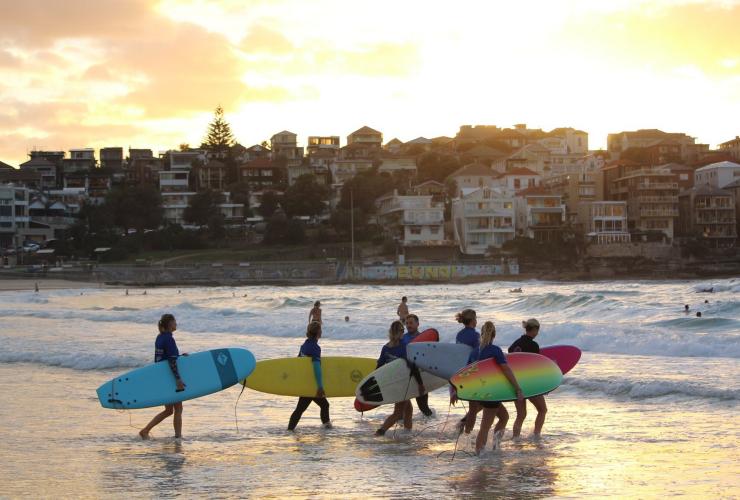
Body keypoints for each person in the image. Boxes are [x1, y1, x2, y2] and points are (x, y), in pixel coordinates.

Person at [469, 321, 523, 454]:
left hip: (479, 392)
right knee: (485, 426)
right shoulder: (495, 350)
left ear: (481, 334)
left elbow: (466, 373)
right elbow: (506, 370)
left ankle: (495, 446)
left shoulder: (475, 352)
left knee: (504, 417)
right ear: (494, 335)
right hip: (492, 393)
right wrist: (517, 388)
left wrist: (458, 391)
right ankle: (479, 454)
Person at [139, 314, 188, 439]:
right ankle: (178, 437)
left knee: (169, 410)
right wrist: (177, 379)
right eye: (174, 321)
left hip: (162, 376)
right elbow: (171, 361)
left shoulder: (160, 337)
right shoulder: (169, 339)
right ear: (170, 324)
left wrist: (180, 357)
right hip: (170, 378)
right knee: (178, 408)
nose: (176, 323)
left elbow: (164, 358)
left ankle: (145, 430)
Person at [375, 320, 425, 436]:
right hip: (402, 383)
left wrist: (378, 383)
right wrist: (420, 384)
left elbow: (379, 367)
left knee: (408, 409)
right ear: (401, 332)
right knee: (398, 413)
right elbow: (412, 366)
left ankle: (407, 432)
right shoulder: (404, 347)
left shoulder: (386, 348)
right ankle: (380, 432)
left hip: (392, 382)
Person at [288, 321, 331, 431]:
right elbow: (317, 368)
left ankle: (290, 430)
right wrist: (320, 386)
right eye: (320, 330)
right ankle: (327, 429)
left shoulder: (304, 346)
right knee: (322, 405)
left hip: (305, 382)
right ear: (318, 333)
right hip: (312, 384)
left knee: (302, 408)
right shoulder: (315, 348)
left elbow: (298, 363)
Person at [509, 318, 547, 437]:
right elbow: (535, 367)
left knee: (521, 414)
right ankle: (536, 435)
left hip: (516, 383)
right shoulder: (533, 345)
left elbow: (509, 360)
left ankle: (516, 439)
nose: (538, 333)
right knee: (542, 410)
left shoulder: (514, 344)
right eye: (537, 330)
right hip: (529, 384)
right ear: (534, 329)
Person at [452, 309, 481, 432]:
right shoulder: (475, 336)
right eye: (476, 318)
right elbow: (478, 356)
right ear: (473, 320)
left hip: (461, 372)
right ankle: (466, 433)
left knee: (475, 406)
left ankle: (463, 424)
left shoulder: (459, 334)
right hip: (472, 373)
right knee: (474, 409)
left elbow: (460, 355)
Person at [400, 314, 433, 417]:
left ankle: (431, 425)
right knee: (402, 407)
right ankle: (405, 429)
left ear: (417, 324)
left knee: (423, 407)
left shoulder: (423, 338)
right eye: (407, 323)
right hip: (404, 375)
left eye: (411, 323)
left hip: (420, 375)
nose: (408, 325)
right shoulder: (402, 338)